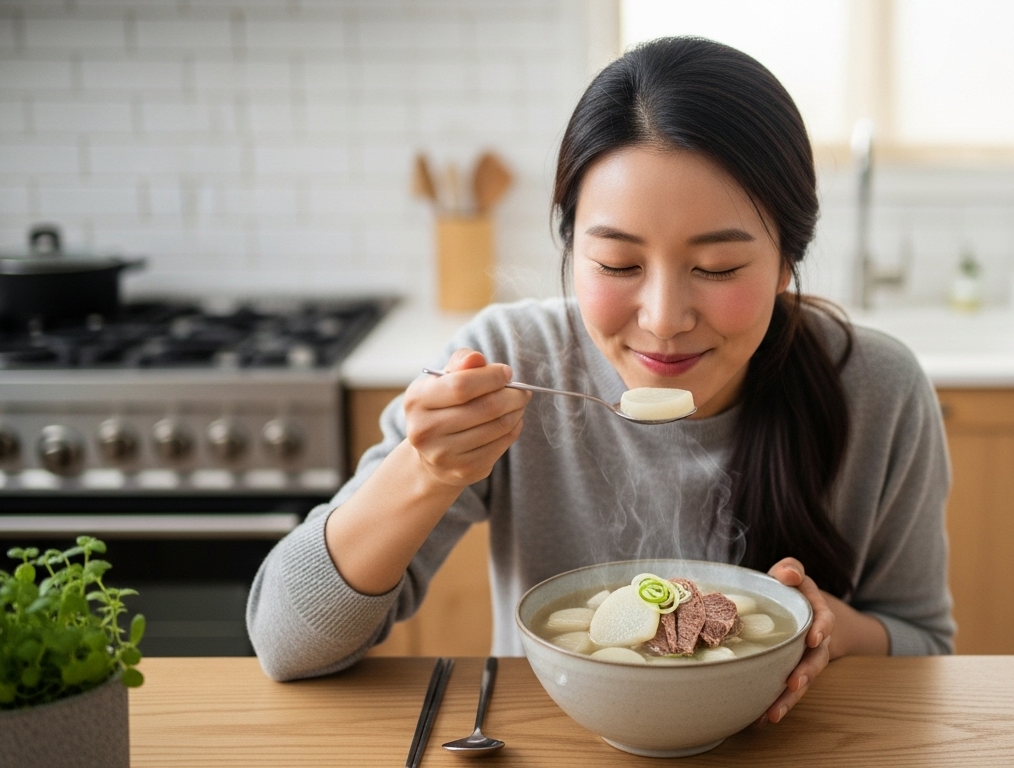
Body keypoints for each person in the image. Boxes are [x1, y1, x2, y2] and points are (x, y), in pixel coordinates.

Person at [247, 36, 953, 725]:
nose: (664, 318)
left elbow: (924, 644)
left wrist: (832, 628)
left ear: (786, 264)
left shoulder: (877, 389)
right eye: (618, 265)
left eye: (717, 268)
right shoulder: (511, 362)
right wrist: (424, 470)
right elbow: (287, 642)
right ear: (571, 250)